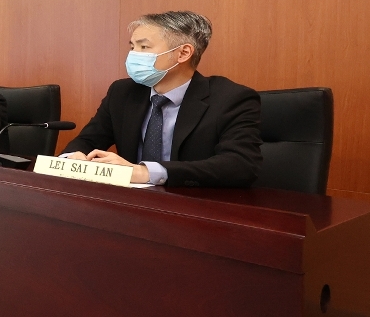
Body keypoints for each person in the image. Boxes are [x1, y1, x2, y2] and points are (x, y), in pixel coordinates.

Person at [61, 11, 262, 187]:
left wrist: (145, 173)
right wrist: (73, 157)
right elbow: (87, 140)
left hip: (196, 206)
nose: (133, 55)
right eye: (132, 47)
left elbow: (241, 165)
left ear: (183, 53)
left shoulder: (231, 99)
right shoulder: (122, 93)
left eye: (144, 47)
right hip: (130, 204)